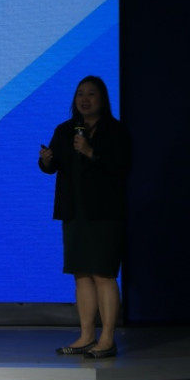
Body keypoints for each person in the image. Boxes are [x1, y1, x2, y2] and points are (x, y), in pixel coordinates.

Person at [38, 75, 132, 359]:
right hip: (74, 211)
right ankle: (86, 336)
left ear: (102, 99)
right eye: (80, 94)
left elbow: (122, 167)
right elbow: (52, 166)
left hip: (104, 213)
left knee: (103, 274)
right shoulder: (65, 130)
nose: (84, 99)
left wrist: (91, 152)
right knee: (81, 275)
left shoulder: (115, 131)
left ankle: (107, 339)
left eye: (91, 94)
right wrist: (45, 161)